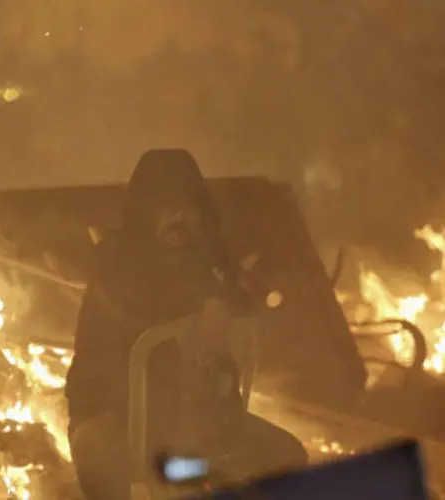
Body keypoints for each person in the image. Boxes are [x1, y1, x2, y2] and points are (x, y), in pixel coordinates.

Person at [65, 149, 308, 499]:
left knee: (287, 457)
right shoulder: (116, 264)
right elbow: (135, 305)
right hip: (113, 421)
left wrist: (236, 296)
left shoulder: (209, 264)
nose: (178, 217)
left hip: (200, 426)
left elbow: (251, 311)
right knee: (113, 475)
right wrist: (205, 305)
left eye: (187, 206)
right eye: (165, 207)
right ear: (145, 212)